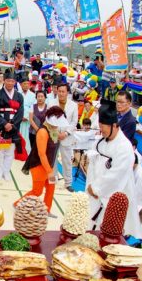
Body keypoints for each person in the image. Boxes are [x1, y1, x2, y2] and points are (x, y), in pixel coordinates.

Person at [86, 100, 136, 234]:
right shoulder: (101, 141)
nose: (101, 130)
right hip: (94, 192)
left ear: (114, 125)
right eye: (100, 126)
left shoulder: (124, 147)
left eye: (103, 127)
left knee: (107, 233)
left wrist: (96, 188)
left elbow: (116, 176)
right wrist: (91, 186)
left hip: (110, 197)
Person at [20, 106, 67, 215]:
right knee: (37, 191)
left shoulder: (54, 130)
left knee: (51, 187)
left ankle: (46, 210)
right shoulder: (42, 132)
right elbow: (41, 154)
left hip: (49, 165)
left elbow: (56, 140)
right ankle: (19, 204)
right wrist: (49, 171)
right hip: (38, 165)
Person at [0, 69, 26, 181]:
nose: (10, 83)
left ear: (15, 82)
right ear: (4, 81)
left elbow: (20, 113)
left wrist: (12, 124)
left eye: (12, 81)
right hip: (0, 126)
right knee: (0, 150)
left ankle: (6, 171)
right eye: (8, 80)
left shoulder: (19, 96)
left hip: (13, 126)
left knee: (10, 151)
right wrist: (4, 123)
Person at [56, 82, 79, 192]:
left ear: (67, 92)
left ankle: (68, 182)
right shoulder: (51, 103)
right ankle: (53, 179)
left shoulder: (73, 105)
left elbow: (74, 122)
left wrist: (65, 133)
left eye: (63, 91)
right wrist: (55, 133)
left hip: (67, 136)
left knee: (67, 161)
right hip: (54, 135)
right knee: (52, 159)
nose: (61, 93)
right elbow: (48, 119)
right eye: (59, 91)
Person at [18, 72, 36, 149]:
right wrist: (20, 117)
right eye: (24, 84)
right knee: (19, 137)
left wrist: (28, 117)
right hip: (19, 120)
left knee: (28, 139)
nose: (26, 85)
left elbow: (34, 107)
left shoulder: (33, 95)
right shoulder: (17, 94)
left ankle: (27, 153)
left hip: (29, 120)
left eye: (27, 84)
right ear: (21, 85)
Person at [28, 89, 48, 156]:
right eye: (38, 96)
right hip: (33, 132)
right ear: (36, 97)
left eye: (42, 96)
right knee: (33, 150)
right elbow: (31, 120)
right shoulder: (32, 106)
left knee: (43, 150)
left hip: (44, 133)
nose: (40, 98)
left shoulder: (48, 107)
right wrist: (38, 130)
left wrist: (41, 130)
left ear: (45, 97)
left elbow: (48, 120)